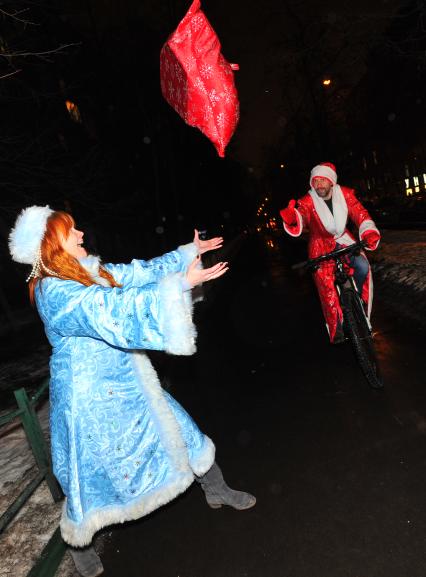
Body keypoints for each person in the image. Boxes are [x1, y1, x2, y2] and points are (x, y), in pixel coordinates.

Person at [9, 206, 256, 577]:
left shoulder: (87, 272)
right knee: (85, 472)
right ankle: (80, 544)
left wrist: (184, 254)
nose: (80, 236)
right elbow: (109, 309)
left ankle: (216, 487)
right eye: (71, 231)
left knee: (181, 428)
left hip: (127, 381)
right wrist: (179, 286)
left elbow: (137, 273)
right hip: (87, 398)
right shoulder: (54, 291)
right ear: (51, 245)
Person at [279, 162, 381, 344]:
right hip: (320, 247)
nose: (318, 185)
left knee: (363, 266)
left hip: (344, 240)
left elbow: (360, 214)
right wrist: (293, 219)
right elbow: (301, 216)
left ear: (331, 181)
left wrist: (368, 231)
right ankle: (338, 326)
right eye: (315, 181)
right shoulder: (307, 201)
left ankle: (358, 302)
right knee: (325, 284)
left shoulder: (346, 194)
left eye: (322, 180)